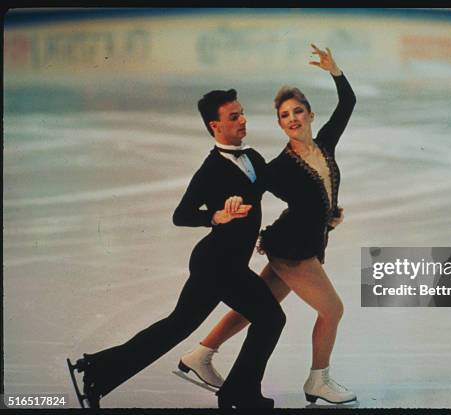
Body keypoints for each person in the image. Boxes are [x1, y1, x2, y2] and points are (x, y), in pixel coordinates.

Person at [66, 88, 286, 409]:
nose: (243, 120)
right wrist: (217, 216)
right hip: (219, 265)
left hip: (224, 263)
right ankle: (241, 392)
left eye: (241, 113)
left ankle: (97, 369)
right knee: (270, 319)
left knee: (176, 326)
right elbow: (180, 215)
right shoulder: (211, 169)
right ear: (215, 126)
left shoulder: (252, 158)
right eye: (234, 116)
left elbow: (277, 185)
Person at [179, 44, 357, 405]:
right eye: (284, 115)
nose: (292, 118)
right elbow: (247, 188)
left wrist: (334, 70)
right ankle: (318, 380)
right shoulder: (280, 166)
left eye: (297, 111)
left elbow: (348, 104)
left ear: (310, 114)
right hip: (293, 251)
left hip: (301, 243)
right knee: (333, 309)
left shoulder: (326, 145)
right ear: (280, 124)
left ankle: (200, 354)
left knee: (252, 309)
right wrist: (224, 206)